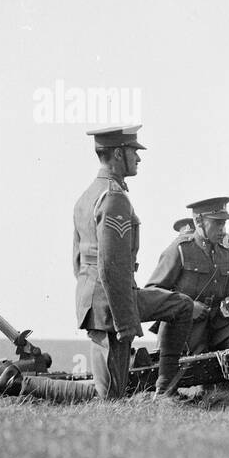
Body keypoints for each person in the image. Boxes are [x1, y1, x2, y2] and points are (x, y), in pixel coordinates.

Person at [73, 125, 193, 400]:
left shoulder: (87, 195)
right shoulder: (114, 197)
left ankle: (165, 390)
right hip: (112, 303)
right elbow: (111, 266)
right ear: (118, 154)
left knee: (181, 305)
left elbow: (78, 261)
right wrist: (124, 320)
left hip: (95, 300)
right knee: (111, 398)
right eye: (133, 152)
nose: (138, 158)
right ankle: (165, 392)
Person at [145, 196, 229, 405]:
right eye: (217, 223)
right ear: (199, 222)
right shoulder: (180, 250)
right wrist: (187, 305)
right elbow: (153, 292)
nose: (222, 228)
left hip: (218, 324)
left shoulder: (226, 253)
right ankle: (164, 394)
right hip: (185, 330)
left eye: (224, 223)